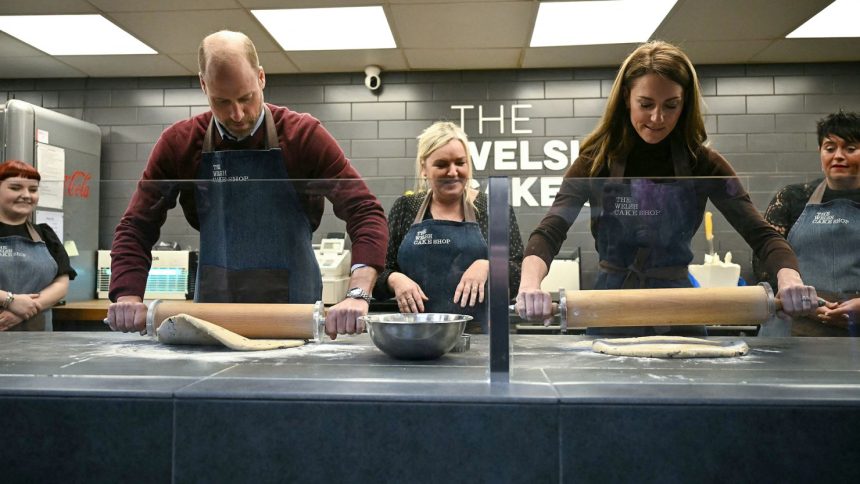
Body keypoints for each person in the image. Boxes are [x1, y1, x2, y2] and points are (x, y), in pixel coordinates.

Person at [516, 40, 818, 335]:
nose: (657, 118)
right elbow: (549, 231)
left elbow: (761, 234)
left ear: (684, 103)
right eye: (645, 104)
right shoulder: (595, 163)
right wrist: (530, 284)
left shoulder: (704, 164)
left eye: (670, 106)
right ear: (625, 97)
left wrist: (789, 278)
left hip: (679, 307)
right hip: (611, 306)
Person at [106, 31, 388, 339]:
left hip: (294, 315)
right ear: (203, 85)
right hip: (214, 316)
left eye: (246, 98)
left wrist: (358, 291)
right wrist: (127, 296)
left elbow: (365, 211)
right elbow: (136, 226)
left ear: (261, 78)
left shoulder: (303, 136)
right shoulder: (180, 143)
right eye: (221, 101)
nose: (237, 114)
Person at [373, 121, 523, 332]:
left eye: (460, 163)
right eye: (442, 164)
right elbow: (378, 273)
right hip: (418, 333)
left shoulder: (493, 208)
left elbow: (519, 274)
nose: (453, 172)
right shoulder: (406, 208)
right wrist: (395, 279)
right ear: (424, 168)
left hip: (483, 335)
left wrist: (488, 265)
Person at [760, 111, 860, 336]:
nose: (838, 156)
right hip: (794, 327)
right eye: (830, 148)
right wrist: (802, 302)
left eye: (851, 148)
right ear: (820, 152)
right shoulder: (792, 198)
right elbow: (764, 262)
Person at [0, 160, 77, 331]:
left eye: (33, 190)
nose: (26, 195)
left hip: (36, 338)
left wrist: (25, 309)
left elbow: (61, 283)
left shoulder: (45, 235)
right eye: (15, 188)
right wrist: (9, 300)